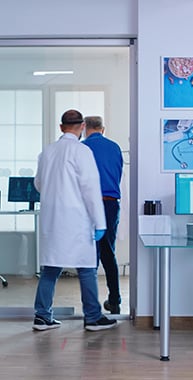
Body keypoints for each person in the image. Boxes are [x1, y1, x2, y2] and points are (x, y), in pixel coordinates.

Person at [32, 109, 118, 332]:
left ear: (61, 127)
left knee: (50, 268)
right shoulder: (82, 151)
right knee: (86, 268)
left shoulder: (47, 151)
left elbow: (38, 184)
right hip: (76, 218)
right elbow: (90, 189)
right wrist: (101, 223)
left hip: (52, 218)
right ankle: (92, 317)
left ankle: (42, 316)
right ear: (82, 127)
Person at [82, 116, 123, 315]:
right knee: (108, 252)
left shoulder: (82, 148)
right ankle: (114, 301)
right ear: (102, 129)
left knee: (89, 256)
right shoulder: (115, 147)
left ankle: (91, 308)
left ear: (84, 128)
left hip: (87, 205)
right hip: (110, 204)